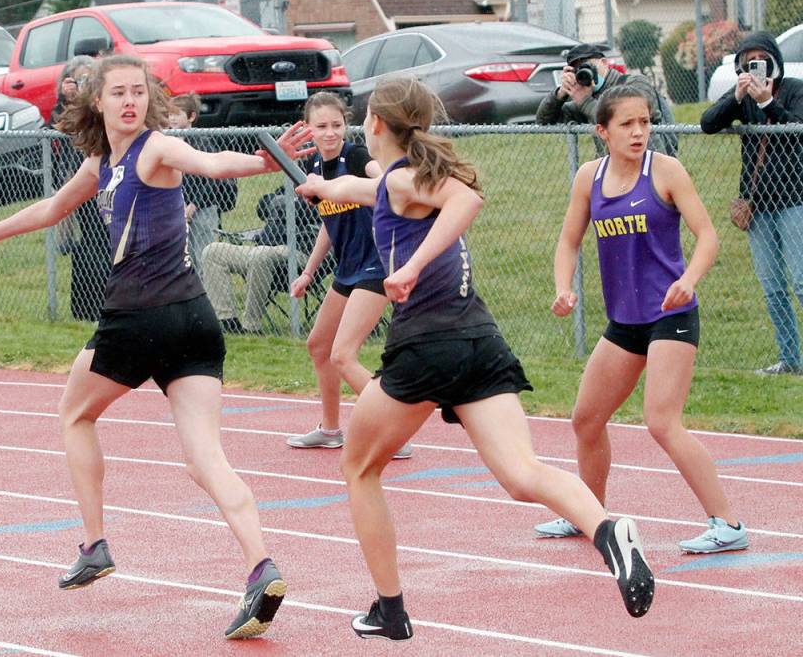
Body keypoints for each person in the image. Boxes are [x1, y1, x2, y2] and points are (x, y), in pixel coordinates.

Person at [0, 54, 316, 639]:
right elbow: (54, 208)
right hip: (194, 322)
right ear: (99, 103)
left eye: (139, 92)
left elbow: (207, 163)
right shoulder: (100, 163)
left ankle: (94, 543)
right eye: (120, 94)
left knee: (75, 414)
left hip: (141, 320)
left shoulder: (156, 148)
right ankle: (261, 568)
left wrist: (261, 162)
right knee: (203, 458)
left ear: (149, 102)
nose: (131, 102)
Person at [297, 76, 655, 640]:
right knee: (522, 474)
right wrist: (320, 184)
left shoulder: (409, 180)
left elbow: (467, 201)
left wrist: (412, 267)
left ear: (376, 126)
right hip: (479, 341)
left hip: (425, 345)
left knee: (360, 468)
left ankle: (391, 609)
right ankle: (608, 529)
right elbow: (361, 186)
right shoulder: (400, 180)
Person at [536, 85, 747, 555]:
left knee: (661, 421)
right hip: (625, 321)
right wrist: (562, 287)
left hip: (670, 314)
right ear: (602, 131)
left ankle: (728, 523)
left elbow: (708, 235)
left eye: (645, 122)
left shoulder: (666, 171)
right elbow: (569, 240)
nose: (638, 132)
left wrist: (690, 278)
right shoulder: (588, 178)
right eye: (627, 124)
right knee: (586, 419)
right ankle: (589, 514)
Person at [285, 92, 411, 460]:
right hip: (348, 269)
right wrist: (308, 271)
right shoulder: (315, 172)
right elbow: (330, 220)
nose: (329, 133)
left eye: (336, 125)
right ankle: (329, 429)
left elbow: (381, 177)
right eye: (321, 126)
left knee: (343, 355)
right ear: (308, 128)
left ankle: (395, 431)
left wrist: (394, 178)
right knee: (319, 346)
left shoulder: (354, 157)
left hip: (377, 266)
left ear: (346, 125)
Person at [701, 31, 803, 376]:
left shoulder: (795, 90)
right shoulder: (742, 97)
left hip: (794, 199)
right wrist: (738, 96)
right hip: (758, 205)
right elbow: (708, 123)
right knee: (773, 288)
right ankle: (790, 361)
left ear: (775, 60)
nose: (756, 67)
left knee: (802, 282)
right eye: (748, 63)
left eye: (762, 60)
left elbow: (798, 128)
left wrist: (766, 103)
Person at [201, 182, 319, 335]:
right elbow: (263, 206)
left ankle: (251, 326)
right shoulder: (292, 181)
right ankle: (227, 321)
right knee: (213, 251)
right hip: (264, 247)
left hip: (300, 254)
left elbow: (310, 213)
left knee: (261, 254)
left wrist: (291, 204)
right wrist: (283, 202)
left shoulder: (325, 188)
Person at [49, 56, 110, 322]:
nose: (83, 84)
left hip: (108, 179)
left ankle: (112, 304)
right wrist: (65, 100)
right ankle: (88, 307)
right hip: (81, 179)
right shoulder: (69, 107)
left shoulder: (102, 102)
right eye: (78, 78)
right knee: (90, 242)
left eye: (88, 78)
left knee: (110, 240)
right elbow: (59, 126)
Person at [537, 42, 677, 156]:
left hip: (648, 162)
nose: (585, 72)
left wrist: (585, 102)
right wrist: (560, 93)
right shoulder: (586, 99)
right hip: (612, 170)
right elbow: (543, 120)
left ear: (604, 63)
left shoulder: (635, 83)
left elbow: (623, 115)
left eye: (587, 65)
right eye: (577, 69)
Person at [167, 93, 238, 274]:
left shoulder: (201, 142)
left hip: (202, 208)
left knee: (204, 253)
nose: (172, 118)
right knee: (184, 256)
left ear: (191, 117)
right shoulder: (167, 143)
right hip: (177, 208)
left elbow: (211, 178)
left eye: (177, 114)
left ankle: (210, 294)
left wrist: (193, 205)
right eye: (169, 114)